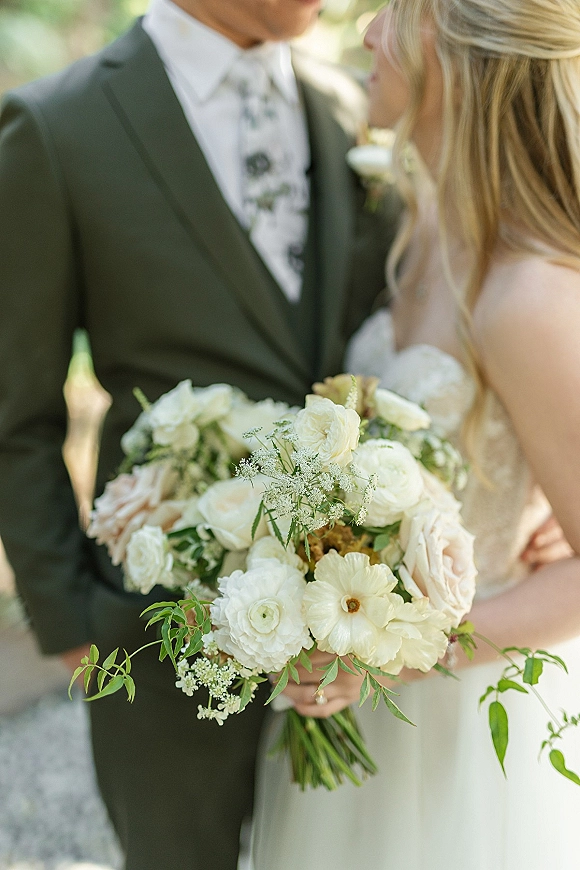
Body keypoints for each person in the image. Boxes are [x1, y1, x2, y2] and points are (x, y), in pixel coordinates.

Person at [0, 1, 401, 868]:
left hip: (358, 623)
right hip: (161, 629)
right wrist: (74, 619)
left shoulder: (353, 105)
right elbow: (15, 411)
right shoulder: (58, 126)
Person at [251, 1, 580, 868]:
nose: (365, 33)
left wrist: (400, 656)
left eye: (395, 12)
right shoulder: (423, 219)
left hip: (463, 725)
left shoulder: (526, 293)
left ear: (459, 49)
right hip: (364, 711)